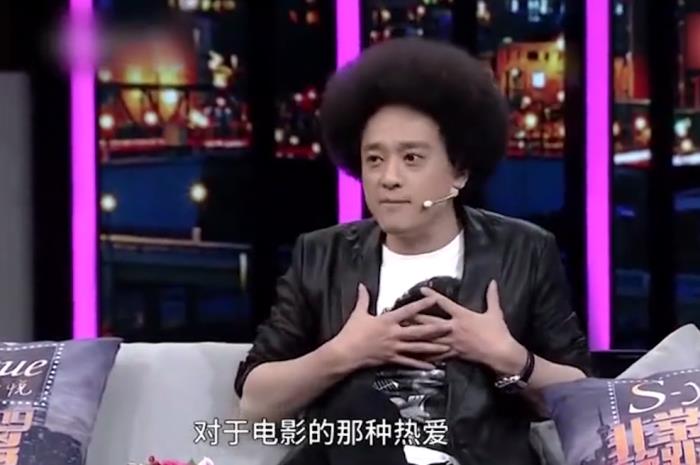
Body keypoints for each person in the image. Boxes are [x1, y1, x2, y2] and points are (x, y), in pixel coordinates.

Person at [234, 37, 591, 465]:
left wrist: (505, 355)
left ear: (459, 172)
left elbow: (582, 399)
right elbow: (255, 402)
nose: (388, 178)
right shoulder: (322, 255)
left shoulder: (524, 251)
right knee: (357, 408)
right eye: (374, 159)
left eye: (412, 159)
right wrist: (345, 353)